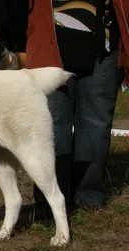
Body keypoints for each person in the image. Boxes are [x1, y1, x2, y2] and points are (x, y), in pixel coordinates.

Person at [25, 0, 129, 216]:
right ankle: (49, 201)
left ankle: (89, 197)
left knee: (96, 125)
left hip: (104, 47)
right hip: (50, 47)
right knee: (52, 127)